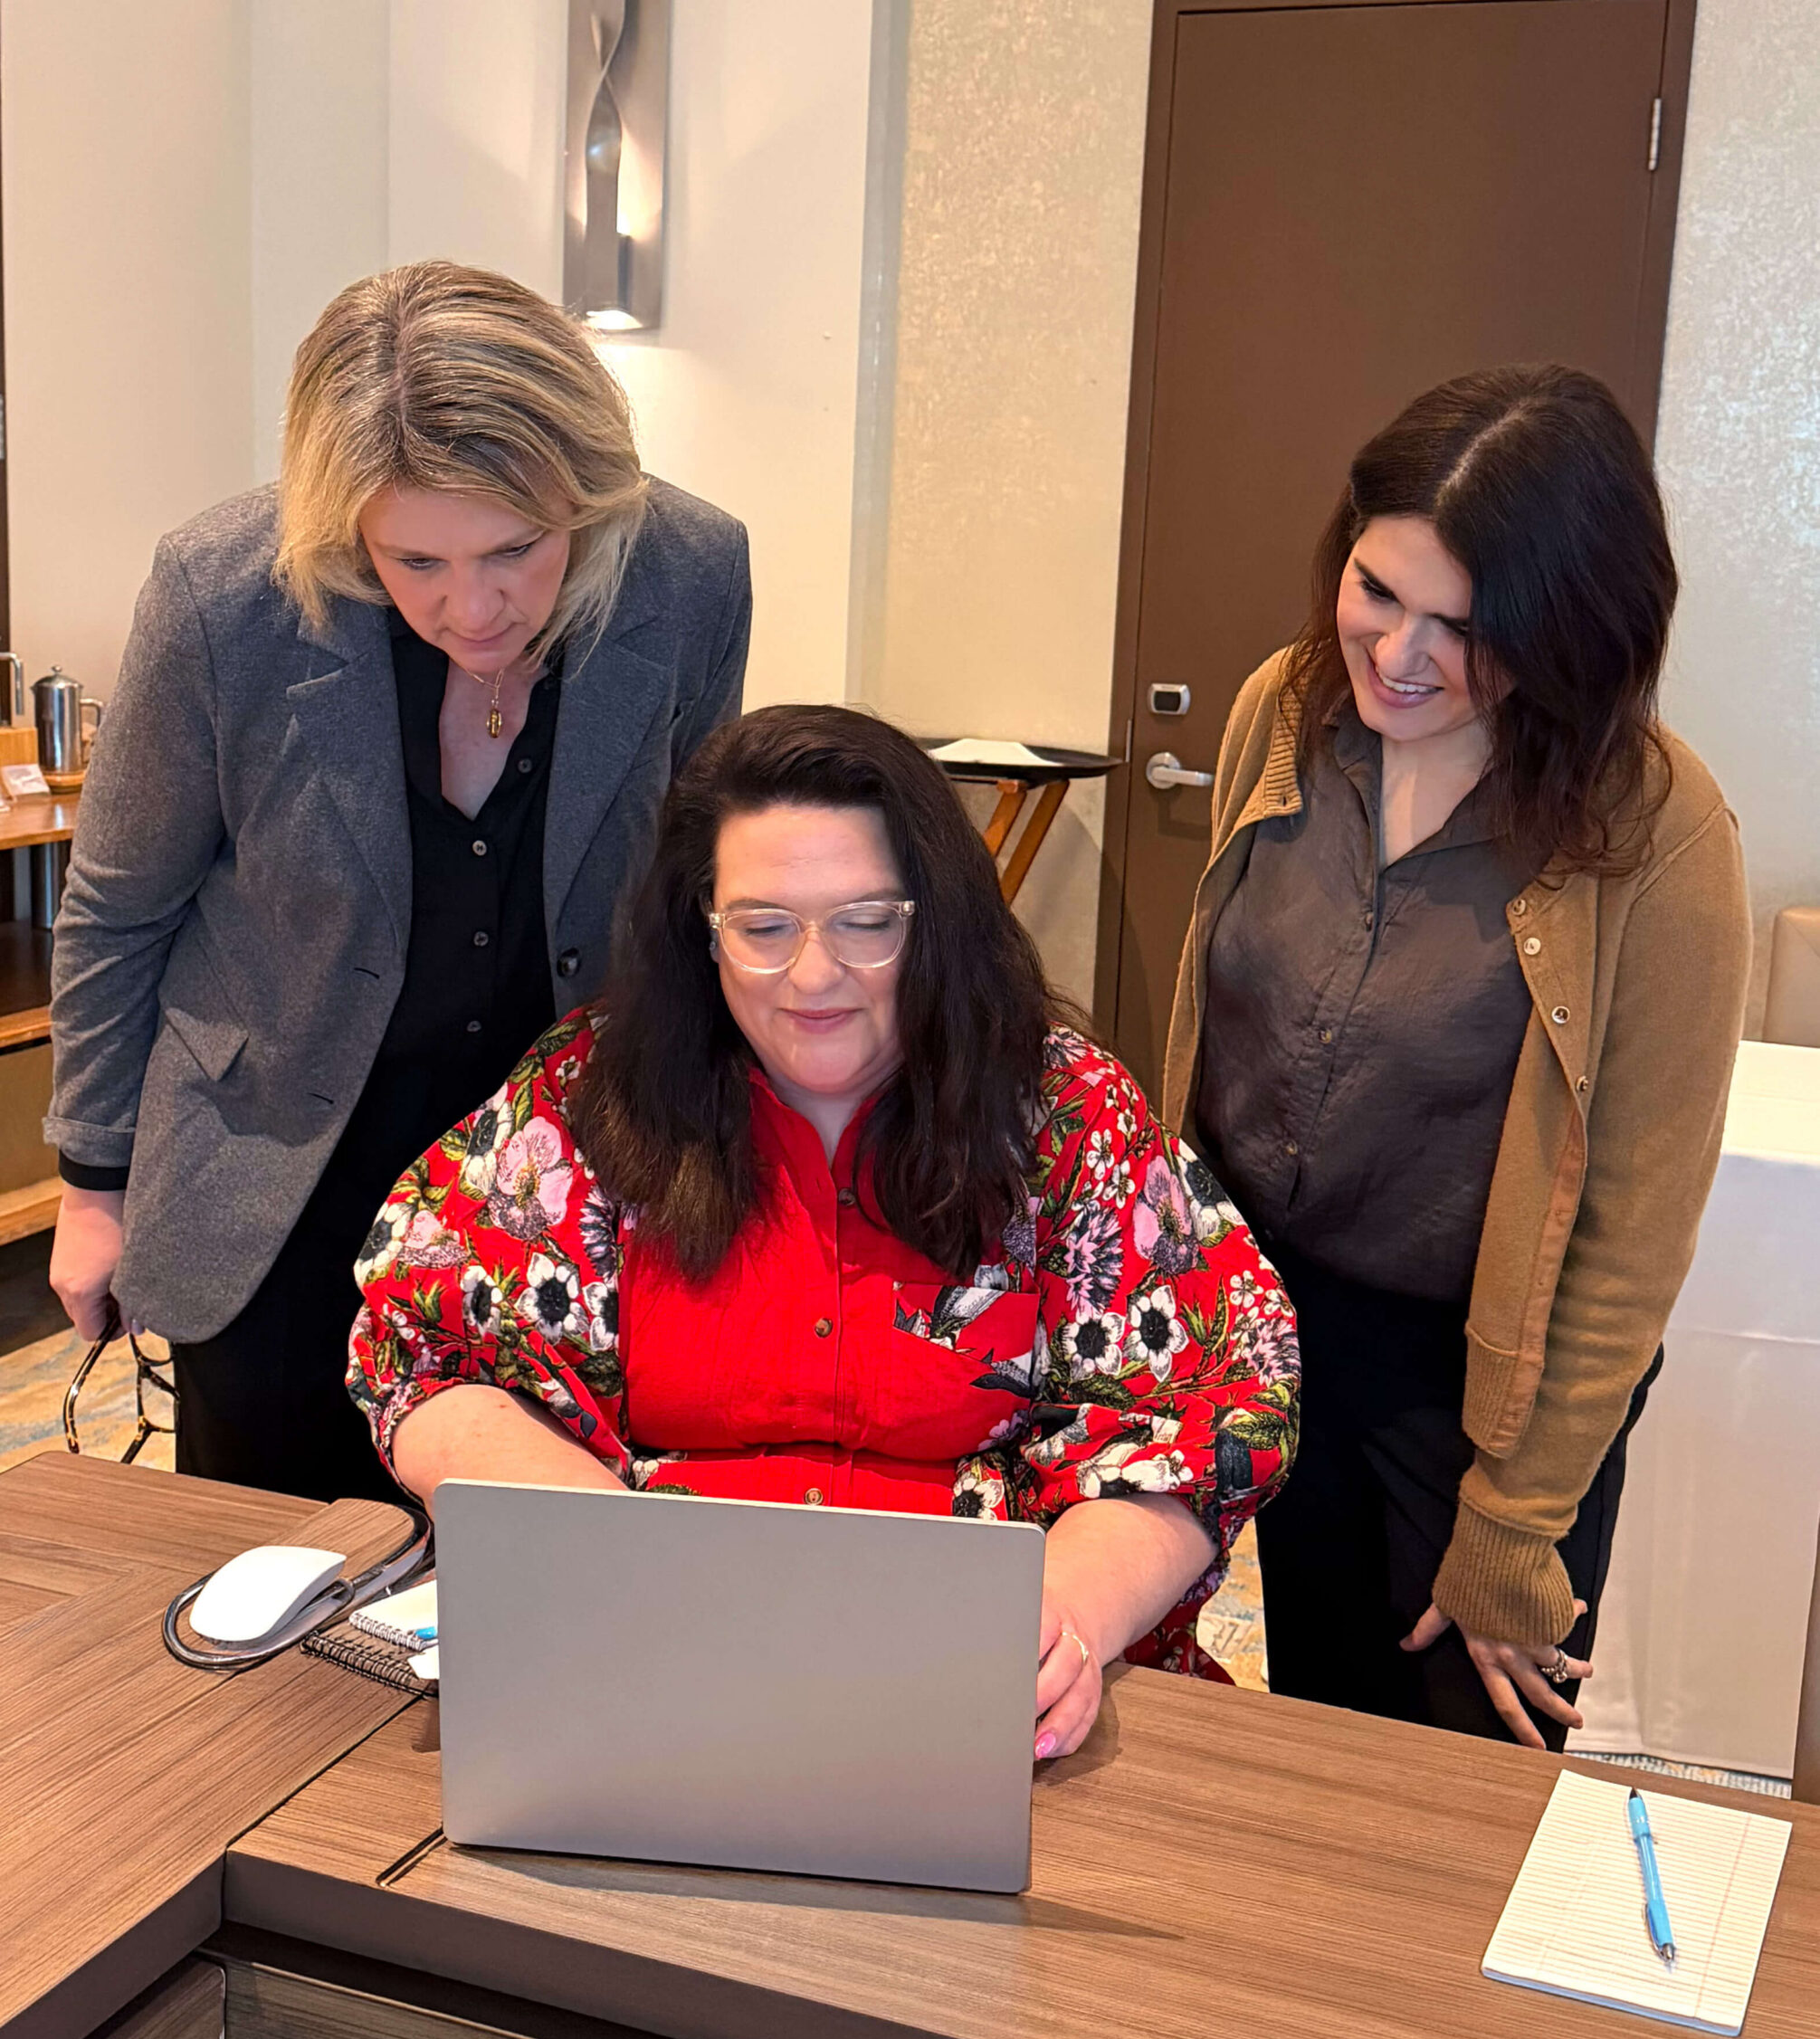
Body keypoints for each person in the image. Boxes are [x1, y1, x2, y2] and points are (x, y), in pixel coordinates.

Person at [350, 704, 1300, 1759]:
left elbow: (1213, 1404)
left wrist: (1064, 1620)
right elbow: (424, 1355)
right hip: (642, 1655)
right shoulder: (589, 1097)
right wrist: (620, 1562)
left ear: (932, 920)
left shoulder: (1065, 1112)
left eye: (864, 922)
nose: (811, 976)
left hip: (977, 1686)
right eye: (763, 928)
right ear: (700, 929)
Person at [46, 261, 751, 1499]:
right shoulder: (225, 596)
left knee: (535, 1570)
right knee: (271, 1577)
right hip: (282, 1167)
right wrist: (91, 1186)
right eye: (413, 561)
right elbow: (119, 907)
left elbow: (692, 883)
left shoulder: (686, 574)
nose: (470, 608)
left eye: (516, 552)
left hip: (559, 1179)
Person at [1162, 364, 1751, 1751]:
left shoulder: (1655, 830)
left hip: (1480, 1378)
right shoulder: (1282, 709)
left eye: (1465, 629)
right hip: (1276, 1327)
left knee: (1466, 1770)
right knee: (1318, 1730)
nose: (1399, 657)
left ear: (1570, 632)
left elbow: (1629, 1223)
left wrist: (1516, 1513)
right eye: (1375, 591)